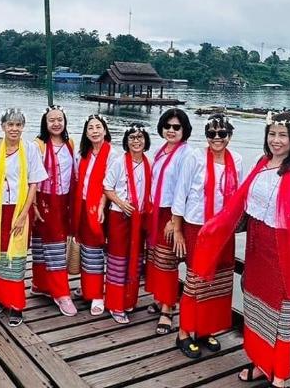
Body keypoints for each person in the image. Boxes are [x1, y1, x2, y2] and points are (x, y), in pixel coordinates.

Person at [194, 111, 290, 387]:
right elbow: (244, 202)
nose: (276, 140)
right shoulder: (262, 164)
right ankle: (261, 362)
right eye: (272, 134)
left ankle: (280, 374)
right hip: (256, 242)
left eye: (282, 135)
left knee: (279, 312)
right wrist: (217, 226)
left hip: (280, 245)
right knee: (255, 306)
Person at [172, 115, 243, 358]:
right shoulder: (195, 157)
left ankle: (204, 330)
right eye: (211, 133)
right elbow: (180, 192)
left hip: (223, 231)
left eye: (221, 133)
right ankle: (183, 333)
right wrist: (178, 229)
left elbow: (240, 198)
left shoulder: (238, 161)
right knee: (195, 281)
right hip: (197, 227)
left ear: (229, 136)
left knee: (217, 282)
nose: (216, 138)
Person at [0, 108, 48, 327]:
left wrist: (23, 214)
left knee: (16, 258)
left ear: (23, 127)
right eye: (10, 125)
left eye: (18, 125)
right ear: (4, 126)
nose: (14, 129)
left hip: (18, 210)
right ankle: (1, 299)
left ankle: (16, 304)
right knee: (0, 256)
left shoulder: (30, 149)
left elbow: (34, 182)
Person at [146, 107, 201, 336]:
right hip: (156, 210)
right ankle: (161, 298)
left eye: (176, 127)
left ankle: (168, 309)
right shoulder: (162, 151)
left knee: (168, 261)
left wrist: (174, 220)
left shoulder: (186, 154)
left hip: (171, 214)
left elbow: (184, 190)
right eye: (167, 126)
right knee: (157, 258)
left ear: (184, 129)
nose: (171, 130)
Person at [102, 124, 151, 324]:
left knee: (136, 260)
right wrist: (122, 203)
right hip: (119, 217)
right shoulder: (119, 162)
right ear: (126, 141)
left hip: (140, 218)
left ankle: (129, 299)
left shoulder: (150, 163)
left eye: (140, 137)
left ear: (146, 140)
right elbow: (107, 187)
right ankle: (115, 304)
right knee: (118, 262)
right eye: (132, 137)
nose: (136, 141)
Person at [32, 107, 78, 316]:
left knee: (49, 244)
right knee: (52, 246)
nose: (56, 124)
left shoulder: (70, 144)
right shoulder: (38, 145)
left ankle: (41, 285)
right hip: (43, 200)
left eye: (60, 119)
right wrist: (32, 204)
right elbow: (30, 177)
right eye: (52, 120)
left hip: (64, 199)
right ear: (45, 123)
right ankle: (61, 293)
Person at [73, 114, 120, 317]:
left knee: (95, 250)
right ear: (86, 132)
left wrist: (101, 205)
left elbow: (111, 184)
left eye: (98, 127)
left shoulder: (113, 155)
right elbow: (78, 179)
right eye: (90, 128)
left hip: (103, 207)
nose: (94, 131)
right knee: (85, 248)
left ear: (105, 130)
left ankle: (97, 294)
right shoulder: (84, 153)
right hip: (82, 205)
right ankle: (87, 287)